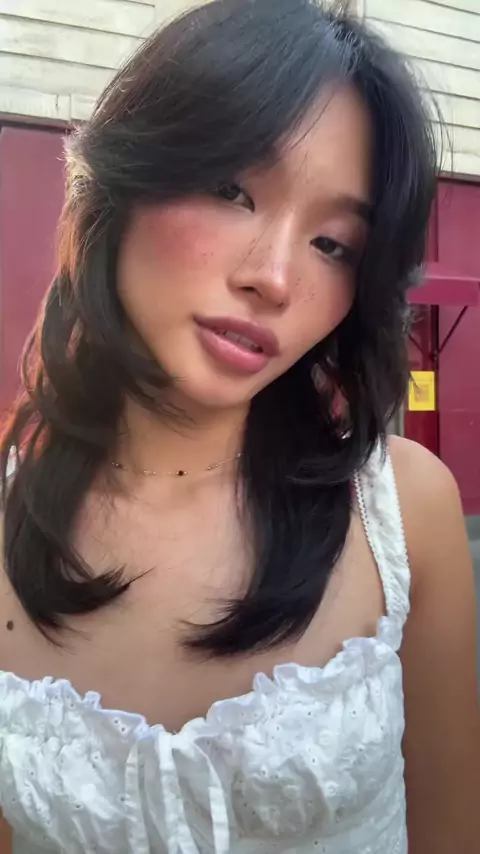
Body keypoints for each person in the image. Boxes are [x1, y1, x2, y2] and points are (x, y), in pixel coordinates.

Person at [0, 0, 479, 852]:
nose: (275, 278)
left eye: (334, 244)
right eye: (232, 191)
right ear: (123, 185)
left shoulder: (404, 510)